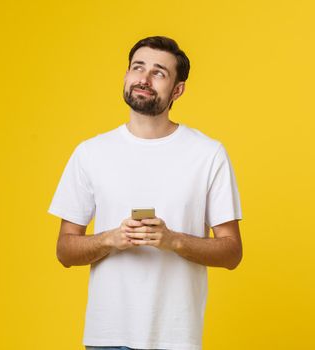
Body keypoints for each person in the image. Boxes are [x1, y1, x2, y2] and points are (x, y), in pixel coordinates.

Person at [48, 36, 243, 350]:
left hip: (176, 338)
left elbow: (232, 252)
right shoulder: (90, 153)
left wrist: (173, 240)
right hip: (107, 337)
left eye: (159, 73)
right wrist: (110, 239)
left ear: (177, 90)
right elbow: (64, 251)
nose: (144, 78)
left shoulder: (208, 154)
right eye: (138, 68)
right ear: (126, 76)